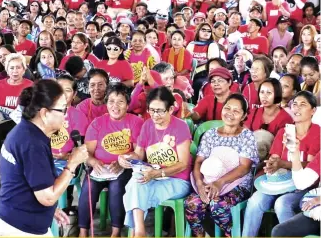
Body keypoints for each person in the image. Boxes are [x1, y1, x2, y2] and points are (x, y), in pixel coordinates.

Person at [0, 79, 87, 236]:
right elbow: (48, 198)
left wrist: (51, 209)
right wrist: (72, 164)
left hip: (15, 218)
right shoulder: (32, 143)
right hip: (21, 228)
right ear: (44, 113)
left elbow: (29, 182)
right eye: (62, 110)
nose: (65, 116)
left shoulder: (27, 131)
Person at [243, 91, 320, 237]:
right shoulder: (285, 131)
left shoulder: (317, 132)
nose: (297, 108)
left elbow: (311, 165)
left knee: (282, 203)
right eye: (295, 104)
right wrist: (271, 164)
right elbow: (275, 158)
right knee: (254, 201)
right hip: (278, 182)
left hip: (304, 187)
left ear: (313, 110)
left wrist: (283, 163)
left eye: (302, 105)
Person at [119, 87, 192, 237]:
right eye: (151, 110)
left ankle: (136, 232)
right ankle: (139, 231)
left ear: (171, 109)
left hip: (177, 180)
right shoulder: (147, 125)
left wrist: (158, 173)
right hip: (153, 176)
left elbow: (183, 164)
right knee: (137, 182)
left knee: (137, 187)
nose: (154, 115)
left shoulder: (180, 127)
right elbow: (138, 154)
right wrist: (125, 158)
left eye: (159, 111)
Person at [184, 94, 259, 237]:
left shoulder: (247, 136)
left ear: (243, 116)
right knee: (191, 203)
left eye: (236, 111)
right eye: (227, 108)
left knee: (218, 206)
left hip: (237, 184)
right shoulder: (210, 134)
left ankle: (228, 234)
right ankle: (201, 235)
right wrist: (200, 184)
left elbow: (244, 167)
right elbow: (199, 161)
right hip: (208, 181)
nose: (230, 113)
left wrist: (220, 183)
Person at [77, 84, 143, 237]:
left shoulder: (135, 122)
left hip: (124, 168)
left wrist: (123, 162)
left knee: (117, 188)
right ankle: (83, 232)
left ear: (127, 104)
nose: (115, 106)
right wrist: (93, 162)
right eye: (111, 101)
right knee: (88, 187)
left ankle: (116, 232)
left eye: (120, 102)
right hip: (99, 170)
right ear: (106, 104)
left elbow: (138, 153)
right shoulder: (97, 123)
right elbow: (87, 153)